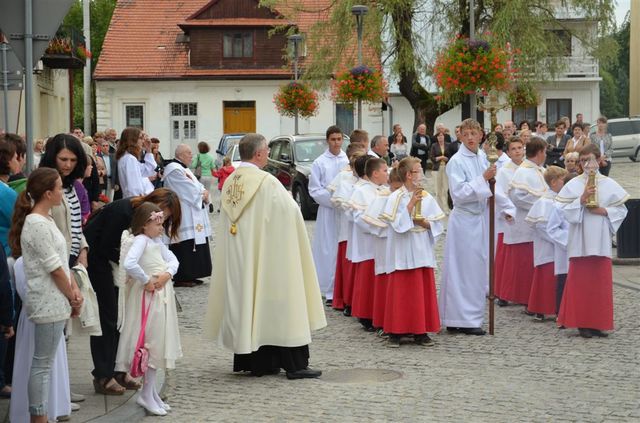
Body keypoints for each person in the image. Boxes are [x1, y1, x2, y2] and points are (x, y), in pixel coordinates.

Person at [203, 133, 326, 379]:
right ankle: (294, 365)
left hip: (240, 259)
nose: (268, 155)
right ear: (259, 154)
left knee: (248, 299)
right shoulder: (266, 182)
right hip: (268, 257)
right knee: (281, 303)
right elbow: (291, 212)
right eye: (267, 151)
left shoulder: (231, 181)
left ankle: (259, 362)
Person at [83, 188, 181, 395]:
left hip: (118, 267)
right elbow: (105, 246)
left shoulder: (139, 220)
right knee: (108, 317)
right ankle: (103, 374)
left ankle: (119, 368)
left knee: (123, 318)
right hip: (99, 263)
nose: (161, 221)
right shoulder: (124, 212)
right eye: (160, 214)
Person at [7, 168, 83, 423]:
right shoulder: (36, 223)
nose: (63, 191)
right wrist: (71, 294)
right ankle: (38, 417)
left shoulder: (47, 220)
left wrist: (74, 290)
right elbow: (54, 268)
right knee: (42, 365)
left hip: (57, 299)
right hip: (47, 301)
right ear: (48, 193)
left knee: (45, 363)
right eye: (60, 188)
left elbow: (62, 262)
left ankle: (42, 414)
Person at [555, 144, 629, 338]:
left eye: (591, 159)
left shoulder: (609, 183)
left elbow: (622, 210)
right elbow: (560, 209)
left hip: (601, 238)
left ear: (599, 159)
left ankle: (598, 323)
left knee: (599, 284)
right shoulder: (574, 184)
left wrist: (603, 211)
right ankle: (582, 323)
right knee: (581, 283)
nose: (588, 164)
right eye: (583, 160)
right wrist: (580, 200)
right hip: (580, 239)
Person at [115, 203, 181, 416]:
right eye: (157, 223)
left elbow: (173, 260)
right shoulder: (141, 241)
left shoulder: (156, 241)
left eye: (162, 223)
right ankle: (146, 392)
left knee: (157, 341)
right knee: (151, 342)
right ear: (144, 225)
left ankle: (150, 391)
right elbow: (130, 263)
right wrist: (146, 280)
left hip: (161, 293)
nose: (161, 228)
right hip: (149, 296)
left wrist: (167, 274)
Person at [439, 119, 495, 335]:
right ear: (460, 136)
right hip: (464, 220)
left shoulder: (482, 157)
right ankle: (459, 318)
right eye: (467, 133)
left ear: (481, 135)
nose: (471, 137)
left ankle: (472, 316)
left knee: (477, 269)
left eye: (474, 133)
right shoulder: (456, 161)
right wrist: (483, 178)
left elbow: (490, 186)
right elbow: (459, 194)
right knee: (463, 270)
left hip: (479, 219)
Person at [381, 157, 444, 347]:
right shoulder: (395, 197)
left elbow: (437, 224)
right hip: (402, 248)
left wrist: (424, 223)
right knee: (401, 291)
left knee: (421, 290)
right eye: (418, 171)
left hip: (421, 247)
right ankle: (396, 331)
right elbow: (397, 225)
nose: (422, 176)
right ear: (409, 175)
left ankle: (421, 330)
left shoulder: (426, 196)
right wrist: (410, 207)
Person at [10, 256, 71, 423]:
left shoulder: (22, 263)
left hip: (41, 314)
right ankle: (41, 411)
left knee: (40, 362)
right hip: (40, 315)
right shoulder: (24, 262)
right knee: (39, 364)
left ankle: (53, 406)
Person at [502, 138, 548, 309]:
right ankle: (525, 297)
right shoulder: (523, 172)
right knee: (524, 264)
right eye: (545, 151)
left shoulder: (540, 170)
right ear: (540, 152)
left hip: (538, 224)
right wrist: (541, 204)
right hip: (525, 224)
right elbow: (517, 198)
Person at [163, 144, 212, 287]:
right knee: (185, 243)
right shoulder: (173, 170)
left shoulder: (184, 169)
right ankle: (183, 276)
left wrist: (203, 192)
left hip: (191, 211)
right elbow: (187, 189)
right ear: (180, 155)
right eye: (189, 153)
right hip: (183, 213)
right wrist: (201, 195)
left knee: (194, 241)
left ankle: (194, 273)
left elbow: (198, 185)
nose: (192, 156)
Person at [308, 126, 348, 305]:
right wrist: (334, 200)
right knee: (327, 248)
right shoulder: (319, 162)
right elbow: (315, 190)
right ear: (327, 140)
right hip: (329, 210)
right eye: (333, 139)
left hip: (345, 210)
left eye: (339, 139)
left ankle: (342, 288)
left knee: (343, 247)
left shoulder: (347, 159)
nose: (337, 143)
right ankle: (328, 289)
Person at [524, 166, 568, 321]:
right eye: (563, 180)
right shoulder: (544, 202)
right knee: (547, 278)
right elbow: (541, 226)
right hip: (549, 246)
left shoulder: (562, 199)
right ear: (554, 182)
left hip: (559, 245)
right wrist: (559, 239)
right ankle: (542, 308)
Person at [348, 156, 386, 331]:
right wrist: (377, 227)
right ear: (375, 173)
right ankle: (365, 315)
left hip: (382, 241)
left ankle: (378, 312)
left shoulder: (384, 190)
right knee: (367, 279)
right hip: (368, 241)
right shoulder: (362, 191)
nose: (388, 174)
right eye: (385, 171)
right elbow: (357, 217)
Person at [329, 147, 366, 313]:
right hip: (347, 230)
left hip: (361, 232)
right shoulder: (345, 183)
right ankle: (345, 299)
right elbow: (338, 203)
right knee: (348, 265)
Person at [494, 137, 523, 306]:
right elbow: (499, 193)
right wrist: (507, 211)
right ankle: (502, 293)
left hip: (525, 216)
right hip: (509, 216)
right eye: (513, 148)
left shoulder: (529, 168)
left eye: (520, 147)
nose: (517, 151)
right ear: (508, 152)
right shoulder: (504, 170)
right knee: (506, 257)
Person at [116, 128, 157, 198]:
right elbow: (133, 187)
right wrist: (139, 201)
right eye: (140, 138)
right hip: (134, 200)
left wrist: (148, 150)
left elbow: (147, 171)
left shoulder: (128, 157)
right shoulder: (129, 159)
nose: (143, 141)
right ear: (132, 140)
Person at [430, 131, 449, 212]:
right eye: (439, 136)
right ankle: (439, 209)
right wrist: (440, 157)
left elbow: (450, 156)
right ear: (437, 138)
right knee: (438, 190)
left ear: (444, 137)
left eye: (442, 136)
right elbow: (431, 157)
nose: (440, 137)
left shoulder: (448, 145)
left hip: (446, 168)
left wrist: (446, 158)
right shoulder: (434, 146)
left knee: (446, 189)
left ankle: (446, 208)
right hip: (437, 169)